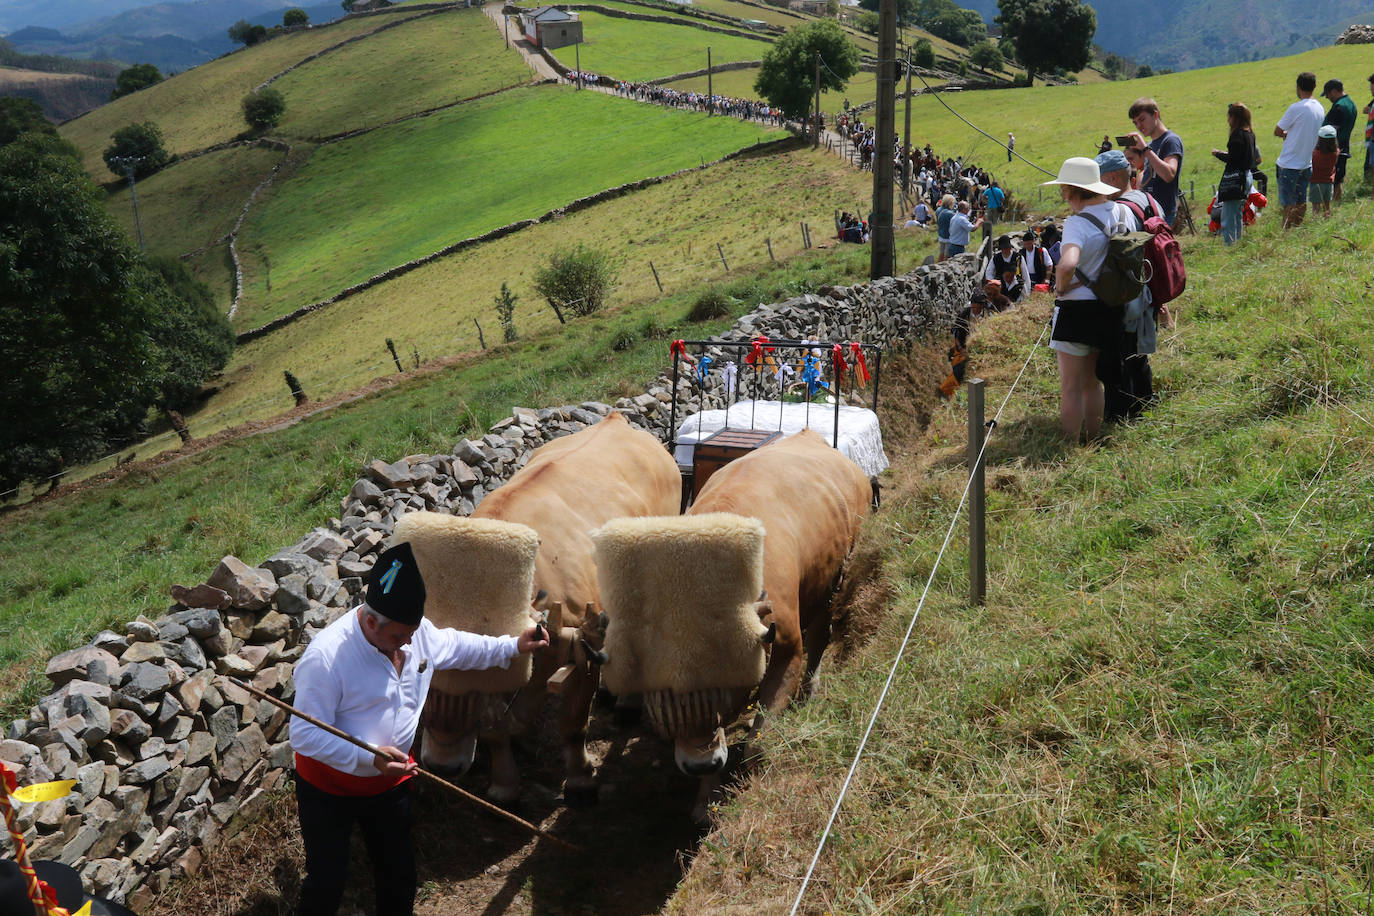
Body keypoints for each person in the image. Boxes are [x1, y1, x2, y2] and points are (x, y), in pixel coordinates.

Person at [291, 541, 548, 916]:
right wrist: (368, 757)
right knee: (327, 881)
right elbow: (304, 735)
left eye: (412, 632)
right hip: (328, 790)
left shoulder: (414, 632)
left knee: (398, 875)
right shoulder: (326, 658)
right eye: (399, 636)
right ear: (369, 622)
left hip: (389, 785)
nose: (409, 642)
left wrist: (513, 646)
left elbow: (459, 646)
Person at [1041, 157, 1120, 441]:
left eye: (1065, 190)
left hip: (1076, 310)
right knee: (1091, 382)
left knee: (1070, 386)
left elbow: (1067, 263)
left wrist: (1060, 288)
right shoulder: (1118, 212)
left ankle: (1070, 445)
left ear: (1075, 191)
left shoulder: (1077, 222)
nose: (1064, 197)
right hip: (1108, 306)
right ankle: (1094, 437)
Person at [1095, 149, 1164, 422]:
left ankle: (1121, 415)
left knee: (1119, 355)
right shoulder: (1149, 200)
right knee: (1139, 354)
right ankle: (1145, 406)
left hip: (1129, 292)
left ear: (1112, 178)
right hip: (1150, 285)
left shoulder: (1119, 210)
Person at [1274, 71, 1324, 229]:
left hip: (1289, 163)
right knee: (1302, 201)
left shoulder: (1296, 108)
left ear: (1298, 87)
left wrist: (1285, 134)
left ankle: (1285, 233)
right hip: (1306, 162)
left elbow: (1277, 130)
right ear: (1315, 87)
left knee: (1288, 203)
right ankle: (1296, 230)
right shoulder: (1320, 108)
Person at [1125, 97, 1184, 227]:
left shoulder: (1170, 140)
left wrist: (1145, 149)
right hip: (1149, 211)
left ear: (1155, 114)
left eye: (1142, 119)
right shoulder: (1151, 144)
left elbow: (1169, 174)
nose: (1139, 126)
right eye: (1135, 123)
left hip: (1162, 212)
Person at [1210, 101, 1261, 245]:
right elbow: (1241, 156)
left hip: (1235, 179)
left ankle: (1230, 245)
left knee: (1228, 216)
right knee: (1238, 214)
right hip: (1246, 176)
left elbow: (1233, 159)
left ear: (1234, 117)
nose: (1228, 120)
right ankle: (1237, 243)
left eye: (1229, 116)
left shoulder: (1237, 135)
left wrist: (1218, 154)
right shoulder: (1249, 133)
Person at [1321, 78, 1357, 202]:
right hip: (1343, 146)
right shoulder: (1350, 103)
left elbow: (1330, 132)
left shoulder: (1339, 107)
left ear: (1335, 91)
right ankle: (1336, 206)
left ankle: (1330, 207)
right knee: (1338, 180)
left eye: (1328, 94)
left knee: (1332, 180)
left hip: (1333, 149)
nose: (1327, 97)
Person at [1310, 125, 1339, 218]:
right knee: (1327, 206)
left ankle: (1315, 223)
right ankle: (1327, 220)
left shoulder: (1315, 154)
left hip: (1316, 183)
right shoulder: (1336, 152)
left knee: (1316, 207)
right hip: (1329, 182)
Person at [985, 234, 1024, 301]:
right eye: (1003, 248)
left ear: (1010, 247)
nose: (1005, 250)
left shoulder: (1018, 257)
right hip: (1000, 289)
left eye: (1007, 248)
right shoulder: (996, 258)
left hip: (1016, 287)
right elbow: (989, 273)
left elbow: (1025, 274)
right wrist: (994, 284)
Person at [935, 193, 956, 260]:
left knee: (941, 253)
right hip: (948, 236)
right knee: (947, 255)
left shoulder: (938, 210)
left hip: (941, 234)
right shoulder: (950, 213)